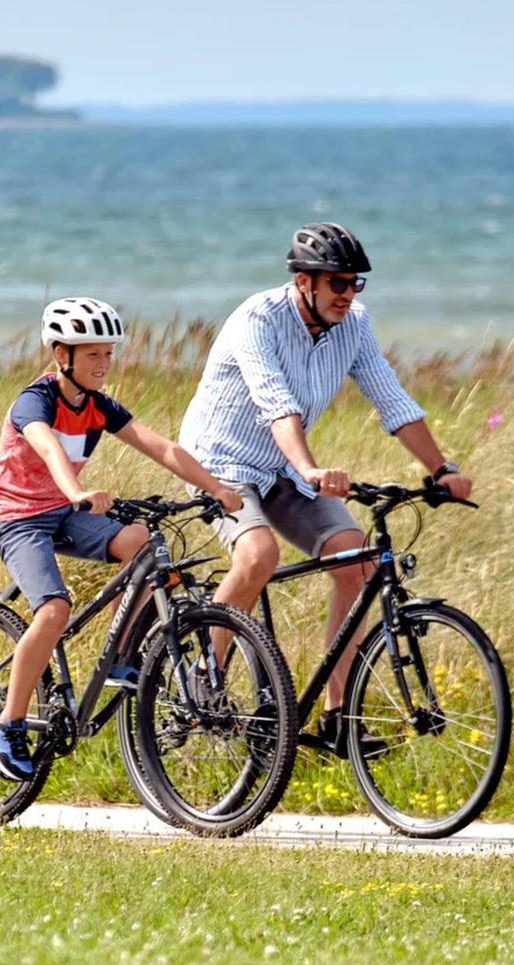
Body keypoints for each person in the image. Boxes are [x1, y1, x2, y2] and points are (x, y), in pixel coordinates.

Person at [178, 222, 473, 756]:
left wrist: (440, 468)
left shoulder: (353, 325)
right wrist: (312, 469)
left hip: (284, 471)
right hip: (219, 464)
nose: (347, 293)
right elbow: (275, 403)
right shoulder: (257, 319)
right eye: (336, 282)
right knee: (257, 553)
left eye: (355, 282)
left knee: (358, 563)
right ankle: (204, 673)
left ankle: (341, 716)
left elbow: (392, 398)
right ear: (304, 283)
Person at [0, 297, 244, 782]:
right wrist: (78, 491)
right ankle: (9, 724)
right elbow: (46, 446)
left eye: (107, 354)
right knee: (54, 611)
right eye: (92, 356)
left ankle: (123, 658)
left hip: (63, 511)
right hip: (16, 518)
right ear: (62, 355)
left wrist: (218, 490)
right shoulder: (34, 401)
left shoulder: (98, 406)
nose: (104, 365)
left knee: (144, 545)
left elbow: (161, 446)